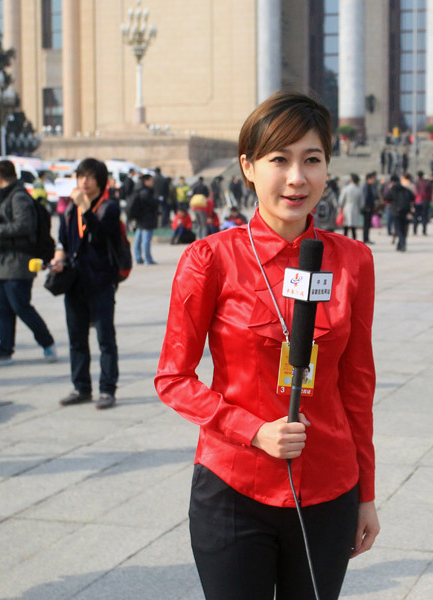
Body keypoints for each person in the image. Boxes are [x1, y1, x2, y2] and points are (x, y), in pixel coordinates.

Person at [154, 91, 379, 600]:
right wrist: (253, 431)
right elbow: (173, 378)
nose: (297, 178)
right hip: (234, 487)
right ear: (248, 167)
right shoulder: (209, 259)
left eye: (312, 160)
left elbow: (357, 385)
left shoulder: (353, 262)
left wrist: (365, 493)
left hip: (329, 488)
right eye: (279, 160)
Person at [50, 158, 120, 410]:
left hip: (100, 281)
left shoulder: (108, 207)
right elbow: (62, 242)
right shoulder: (70, 209)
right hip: (74, 283)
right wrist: (58, 260)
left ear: (100, 181)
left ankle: (107, 389)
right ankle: (81, 387)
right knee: (76, 337)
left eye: (90, 177)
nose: (84, 181)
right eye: (81, 176)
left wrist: (86, 209)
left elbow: (101, 236)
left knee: (105, 338)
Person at [0, 160, 56, 366]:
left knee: (21, 306)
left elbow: (24, 226)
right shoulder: (7, 197)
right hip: (5, 262)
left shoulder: (19, 197)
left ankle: (47, 342)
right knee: (4, 308)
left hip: (20, 261)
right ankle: (4, 350)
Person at [127, 173, 159, 265]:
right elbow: (152, 203)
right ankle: (147, 259)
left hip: (139, 218)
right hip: (146, 219)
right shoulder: (146, 192)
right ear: (146, 181)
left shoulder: (137, 190)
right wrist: (157, 201)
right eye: (151, 180)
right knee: (146, 240)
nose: (153, 182)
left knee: (138, 239)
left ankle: (138, 258)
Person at [384, 173, 414, 252]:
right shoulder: (405, 188)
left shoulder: (393, 189)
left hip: (396, 212)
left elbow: (386, 198)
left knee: (398, 229)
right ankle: (400, 245)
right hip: (405, 211)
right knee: (403, 229)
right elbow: (412, 197)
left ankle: (402, 244)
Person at [338, 173, 362, 240]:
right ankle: (354, 242)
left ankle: (344, 241)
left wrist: (340, 207)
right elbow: (361, 202)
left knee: (346, 227)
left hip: (347, 208)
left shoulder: (346, 188)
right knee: (354, 228)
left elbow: (341, 200)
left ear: (351, 180)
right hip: (355, 208)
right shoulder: (359, 189)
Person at [412, 171, 432, 236]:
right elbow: (430, 193)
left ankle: (415, 231)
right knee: (424, 217)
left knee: (416, 217)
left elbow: (413, 193)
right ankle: (424, 231)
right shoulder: (427, 183)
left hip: (417, 201)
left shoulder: (415, 183)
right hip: (425, 201)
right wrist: (429, 200)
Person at [361, 171, 378, 244]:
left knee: (368, 224)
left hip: (370, 208)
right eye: (372, 179)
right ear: (368, 179)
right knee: (366, 224)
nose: (373, 180)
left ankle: (367, 238)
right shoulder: (366, 187)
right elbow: (365, 198)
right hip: (367, 208)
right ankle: (365, 239)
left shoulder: (370, 186)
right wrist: (366, 207)